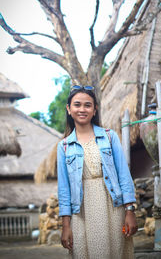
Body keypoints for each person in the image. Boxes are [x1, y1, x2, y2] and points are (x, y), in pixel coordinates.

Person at [57, 85, 138, 259]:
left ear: (95, 110)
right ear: (69, 109)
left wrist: (130, 211)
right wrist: (66, 226)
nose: (82, 109)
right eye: (77, 105)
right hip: (81, 212)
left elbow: (124, 175)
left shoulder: (109, 137)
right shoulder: (64, 146)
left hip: (112, 208)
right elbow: (64, 189)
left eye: (88, 105)